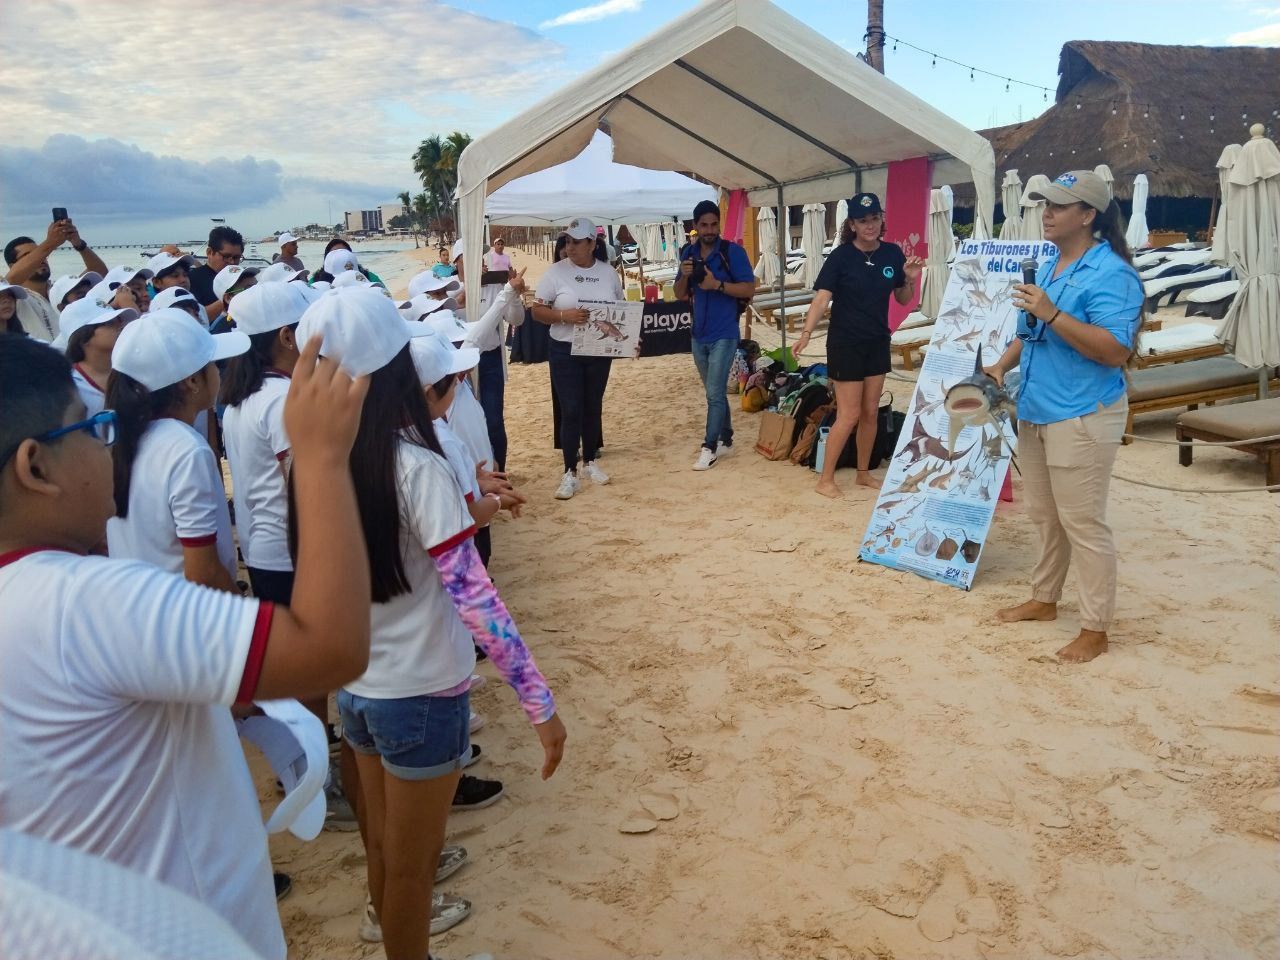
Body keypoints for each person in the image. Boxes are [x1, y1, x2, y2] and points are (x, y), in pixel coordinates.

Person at [0, 331, 373, 960]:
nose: (107, 446)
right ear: (35, 467)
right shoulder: (85, 603)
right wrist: (320, 459)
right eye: (89, 430)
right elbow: (332, 648)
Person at [293, 286, 566, 960]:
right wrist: (540, 705)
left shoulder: (317, 463)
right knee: (414, 872)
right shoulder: (416, 467)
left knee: (385, 853)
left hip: (359, 688)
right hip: (420, 693)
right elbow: (476, 598)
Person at [984, 170, 1143, 664]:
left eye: (1058, 205)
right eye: (1045, 204)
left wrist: (1053, 313)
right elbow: (1030, 330)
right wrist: (1000, 366)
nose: (1047, 213)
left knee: (1083, 524)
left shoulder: (1113, 274)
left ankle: (1095, 628)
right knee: (1046, 517)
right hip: (1036, 407)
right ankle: (1045, 598)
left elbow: (1115, 351)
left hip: (1082, 413)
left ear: (1088, 215)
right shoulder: (1051, 264)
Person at [104, 309, 250, 590]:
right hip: (186, 609)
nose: (218, 372)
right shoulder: (186, 450)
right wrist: (237, 604)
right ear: (192, 381)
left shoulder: (124, 436)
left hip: (141, 602)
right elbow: (204, 573)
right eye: (212, 365)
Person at [793, 193, 924, 498]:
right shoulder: (840, 257)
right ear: (852, 224)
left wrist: (909, 280)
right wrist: (806, 333)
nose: (870, 225)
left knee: (870, 412)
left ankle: (863, 473)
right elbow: (821, 299)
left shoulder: (892, 253)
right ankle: (826, 479)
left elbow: (903, 299)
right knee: (849, 414)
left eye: (874, 218)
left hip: (877, 341)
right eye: (863, 221)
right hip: (845, 343)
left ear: (881, 220)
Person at [531, 217, 622, 500]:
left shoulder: (609, 273)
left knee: (593, 406)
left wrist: (628, 340)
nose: (570, 247)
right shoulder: (555, 272)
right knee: (571, 409)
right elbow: (536, 311)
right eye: (567, 241)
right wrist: (563, 316)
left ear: (592, 244)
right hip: (564, 350)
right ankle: (569, 471)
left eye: (577, 242)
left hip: (597, 351)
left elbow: (620, 311)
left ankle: (590, 462)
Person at [674, 199, 757, 471]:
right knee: (715, 391)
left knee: (714, 394)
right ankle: (727, 438)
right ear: (695, 226)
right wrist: (685, 275)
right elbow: (679, 294)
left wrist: (716, 285)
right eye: (704, 225)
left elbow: (748, 289)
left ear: (719, 224)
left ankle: (709, 447)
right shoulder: (688, 252)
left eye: (714, 224)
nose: (710, 230)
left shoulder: (732, 252)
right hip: (698, 333)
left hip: (725, 331)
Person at [452, 238, 524, 472]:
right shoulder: (449, 289)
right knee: (464, 420)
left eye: (479, 256)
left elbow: (516, 320)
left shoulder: (495, 286)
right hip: (457, 363)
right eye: (469, 258)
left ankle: (499, 473)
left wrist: (514, 295)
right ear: (457, 262)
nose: (478, 262)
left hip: (489, 359)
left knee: (493, 419)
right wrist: (460, 298)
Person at [4, 219, 109, 341]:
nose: (41, 258)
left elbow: (100, 273)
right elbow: (10, 279)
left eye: (42, 254)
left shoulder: (58, 289)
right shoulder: (12, 297)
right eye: (29, 256)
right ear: (12, 266)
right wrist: (50, 243)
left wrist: (79, 244)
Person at [58, 297, 139, 417]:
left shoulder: (136, 366)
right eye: (109, 323)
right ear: (83, 338)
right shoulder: (70, 387)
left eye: (119, 320)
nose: (120, 326)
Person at [187, 226, 244, 326]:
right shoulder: (191, 280)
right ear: (209, 252)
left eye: (236, 257)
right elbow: (193, 319)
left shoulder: (243, 278)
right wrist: (230, 297)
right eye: (226, 256)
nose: (232, 262)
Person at [309, 238, 383, 285]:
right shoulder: (316, 282)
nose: (341, 256)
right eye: (335, 253)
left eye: (344, 252)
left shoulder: (369, 277)